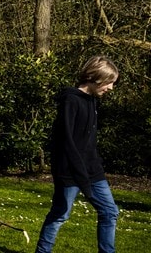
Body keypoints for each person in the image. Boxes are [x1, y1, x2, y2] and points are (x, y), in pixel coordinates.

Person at [34, 56, 119, 253]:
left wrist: (94, 167)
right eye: (109, 82)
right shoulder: (71, 101)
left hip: (93, 170)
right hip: (70, 172)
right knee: (60, 214)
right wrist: (80, 177)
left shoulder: (91, 101)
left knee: (110, 211)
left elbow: (87, 143)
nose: (111, 88)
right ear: (95, 78)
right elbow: (67, 143)